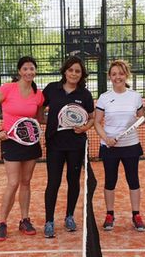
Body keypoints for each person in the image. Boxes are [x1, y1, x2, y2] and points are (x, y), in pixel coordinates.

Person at [0, 56, 45, 242]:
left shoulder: (38, 94)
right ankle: (2, 223)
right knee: (13, 182)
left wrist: (66, 121)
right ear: (19, 71)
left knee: (26, 181)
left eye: (32, 69)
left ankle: (25, 220)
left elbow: (40, 119)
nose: (29, 72)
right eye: (25, 69)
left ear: (35, 71)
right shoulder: (7, 89)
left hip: (31, 142)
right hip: (11, 141)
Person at [41, 56, 95, 238]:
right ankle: (49, 221)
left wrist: (85, 127)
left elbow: (92, 117)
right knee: (53, 182)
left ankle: (69, 216)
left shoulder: (85, 94)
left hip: (76, 145)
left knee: (73, 181)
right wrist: (45, 120)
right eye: (71, 70)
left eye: (77, 71)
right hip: (55, 144)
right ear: (65, 71)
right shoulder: (51, 89)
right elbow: (39, 109)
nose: (73, 74)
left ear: (82, 75)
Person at [94, 59, 145, 232]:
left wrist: (137, 122)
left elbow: (141, 118)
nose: (118, 77)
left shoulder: (135, 96)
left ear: (126, 75)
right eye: (114, 74)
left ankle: (136, 215)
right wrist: (106, 138)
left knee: (133, 180)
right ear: (110, 76)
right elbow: (97, 122)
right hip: (109, 147)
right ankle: (110, 214)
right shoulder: (104, 98)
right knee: (110, 180)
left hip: (131, 145)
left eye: (121, 73)